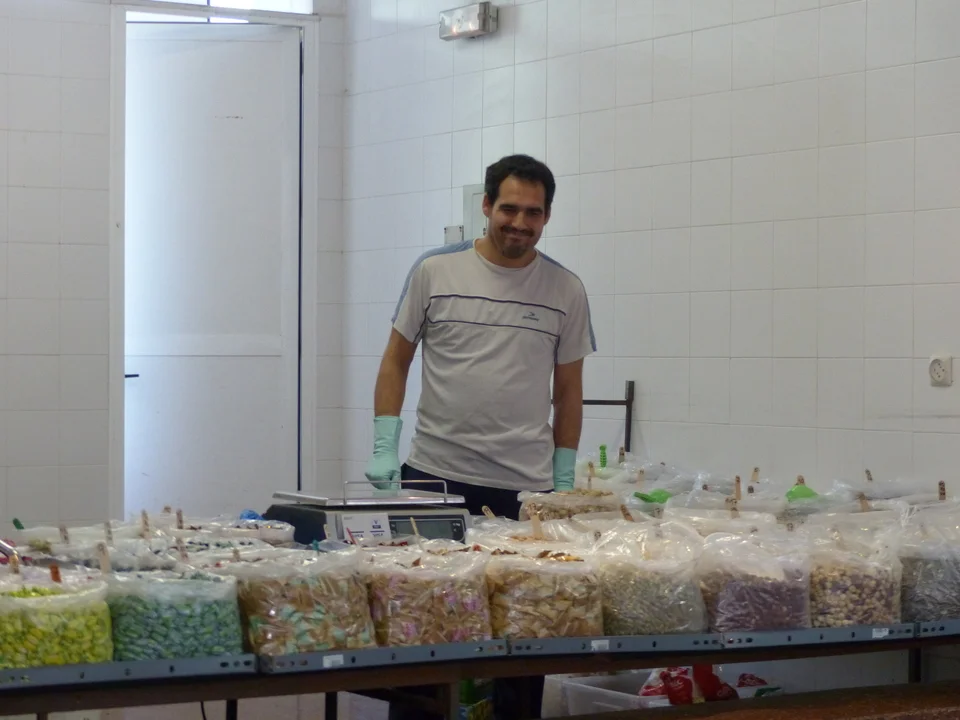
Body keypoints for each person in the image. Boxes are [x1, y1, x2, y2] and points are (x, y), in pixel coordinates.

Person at [365, 154, 596, 720]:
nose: (520, 223)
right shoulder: (435, 271)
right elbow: (396, 359)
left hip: (523, 492)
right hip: (434, 480)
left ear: (547, 217)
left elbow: (569, 391)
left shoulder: (565, 289)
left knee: (524, 635)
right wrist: (384, 445)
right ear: (487, 206)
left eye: (534, 213)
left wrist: (563, 477)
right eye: (509, 209)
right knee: (425, 626)